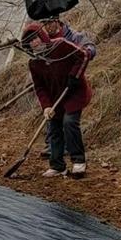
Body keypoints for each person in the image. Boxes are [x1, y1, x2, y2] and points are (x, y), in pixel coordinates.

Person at [22, 21, 92, 179]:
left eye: (35, 38)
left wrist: (74, 76)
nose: (34, 42)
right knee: (53, 127)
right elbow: (39, 87)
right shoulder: (34, 63)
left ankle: (78, 161)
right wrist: (46, 106)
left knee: (69, 122)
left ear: (42, 36)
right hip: (55, 99)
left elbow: (83, 55)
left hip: (74, 92)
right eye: (30, 41)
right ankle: (57, 166)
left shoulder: (61, 44)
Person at [36, 16, 96, 160]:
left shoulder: (72, 36)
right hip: (55, 86)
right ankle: (53, 146)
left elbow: (90, 49)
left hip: (73, 84)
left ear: (57, 21)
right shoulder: (43, 40)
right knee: (52, 114)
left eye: (49, 23)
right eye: (44, 24)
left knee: (69, 120)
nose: (47, 27)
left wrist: (85, 53)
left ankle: (75, 155)